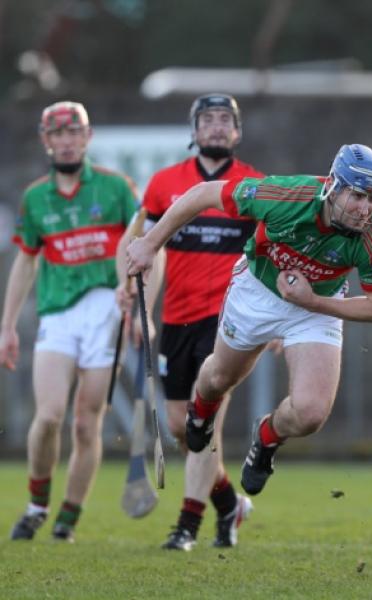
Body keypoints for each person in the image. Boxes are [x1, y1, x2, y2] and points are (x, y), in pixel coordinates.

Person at [125, 143, 372, 511]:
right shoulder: (285, 195)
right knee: (218, 378)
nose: (365, 209)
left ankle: (267, 437)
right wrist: (149, 244)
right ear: (333, 185)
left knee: (311, 413)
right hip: (257, 291)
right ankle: (202, 410)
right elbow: (203, 194)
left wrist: (312, 302)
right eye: (357, 195)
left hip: (316, 305)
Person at [115, 94, 266, 551]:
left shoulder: (254, 185)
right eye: (208, 120)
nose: (217, 127)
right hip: (177, 318)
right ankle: (228, 506)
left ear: (237, 132)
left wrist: (275, 321)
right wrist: (141, 306)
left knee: (208, 423)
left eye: (225, 120)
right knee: (182, 427)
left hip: (228, 323)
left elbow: (268, 257)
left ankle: (186, 526)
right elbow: (149, 249)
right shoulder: (165, 183)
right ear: (194, 130)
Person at [1, 101, 139, 542]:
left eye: (73, 133)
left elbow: (143, 247)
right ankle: (38, 503)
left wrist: (138, 305)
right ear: (46, 141)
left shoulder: (117, 189)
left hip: (105, 311)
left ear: (87, 137)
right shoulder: (35, 197)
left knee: (85, 422)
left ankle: (68, 519)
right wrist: (6, 326)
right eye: (56, 134)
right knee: (48, 416)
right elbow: (25, 262)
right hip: (57, 314)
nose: (65, 141)